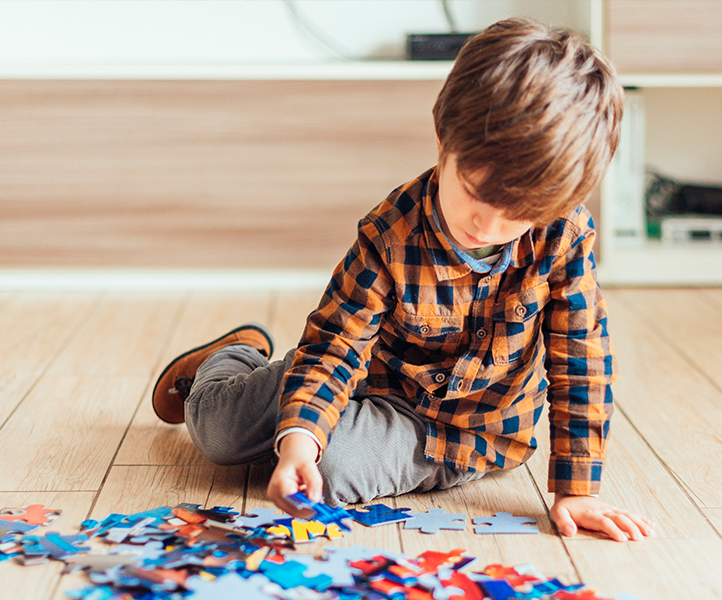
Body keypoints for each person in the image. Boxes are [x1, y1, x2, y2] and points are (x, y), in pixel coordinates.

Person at [152, 17, 654, 542]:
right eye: (474, 192)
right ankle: (230, 361)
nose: (487, 225)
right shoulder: (390, 232)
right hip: (366, 371)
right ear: (444, 137)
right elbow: (337, 344)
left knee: (332, 472)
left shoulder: (565, 235)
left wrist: (578, 489)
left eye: (517, 215)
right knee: (219, 433)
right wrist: (299, 437)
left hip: (461, 434)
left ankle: (306, 424)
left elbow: (582, 359)